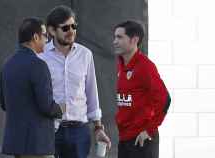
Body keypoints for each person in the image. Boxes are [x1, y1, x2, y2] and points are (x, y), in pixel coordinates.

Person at [38, 5, 111, 158]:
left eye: (74, 26)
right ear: (51, 31)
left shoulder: (85, 55)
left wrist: (98, 128)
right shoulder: (41, 55)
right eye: (65, 28)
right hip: (50, 130)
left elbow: (92, 93)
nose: (71, 31)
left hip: (80, 131)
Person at [0, 17, 64, 158]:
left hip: (17, 145)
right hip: (37, 145)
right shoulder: (38, 65)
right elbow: (46, 106)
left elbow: (4, 104)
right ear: (35, 37)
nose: (47, 40)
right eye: (45, 36)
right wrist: (60, 109)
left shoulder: (7, 65)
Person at [113, 20, 171, 158]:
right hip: (125, 139)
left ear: (134, 40)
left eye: (120, 37)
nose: (115, 41)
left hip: (141, 140)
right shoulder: (122, 65)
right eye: (114, 37)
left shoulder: (145, 66)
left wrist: (148, 131)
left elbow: (165, 99)